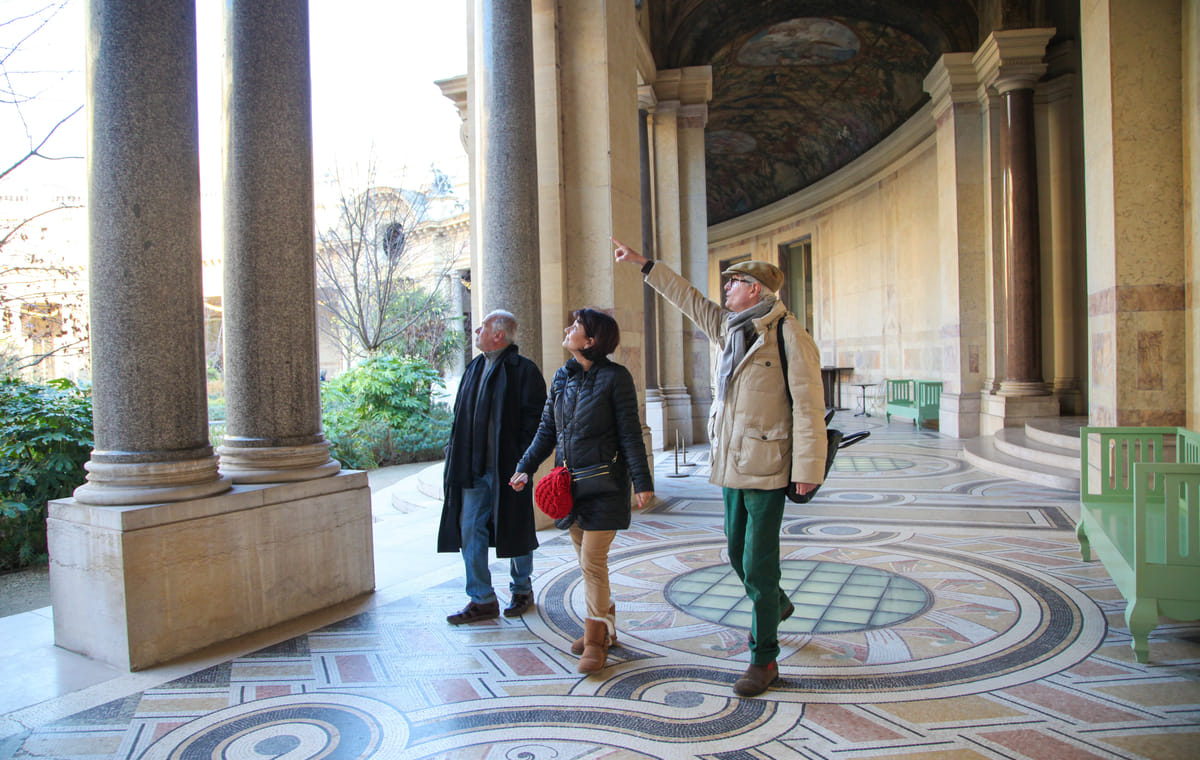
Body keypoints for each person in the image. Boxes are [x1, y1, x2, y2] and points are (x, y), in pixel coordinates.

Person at [613, 239, 827, 697]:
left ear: (756, 290)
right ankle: (777, 604)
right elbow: (689, 299)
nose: (726, 288)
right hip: (731, 462)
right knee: (735, 553)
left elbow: (809, 407)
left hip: (769, 464)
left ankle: (763, 657)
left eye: (735, 282)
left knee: (759, 563)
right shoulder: (729, 328)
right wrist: (646, 265)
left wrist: (809, 468)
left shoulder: (789, 335)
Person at [510, 308, 654, 673]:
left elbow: (630, 433)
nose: (567, 329)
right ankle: (605, 627)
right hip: (569, 487)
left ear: (591, 341)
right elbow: (547, 430)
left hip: (605, 485)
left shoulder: (616, 378)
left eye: (575, 327)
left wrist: (643, 481)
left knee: (592, 562)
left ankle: (594, 641)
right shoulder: (562, 378)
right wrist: (525, 467)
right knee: (586, 563)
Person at [438, 310, 547, 624]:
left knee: (514, 527)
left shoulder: (523, 371)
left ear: (499, 334)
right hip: (471, 469)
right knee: (469, 530)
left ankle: (522, 589)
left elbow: (538, 424)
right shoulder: (474, 367)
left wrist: (525, 464)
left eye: (483, 326)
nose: (477, 330)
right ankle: (482, 599)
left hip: (508, 469)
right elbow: (461, 417)